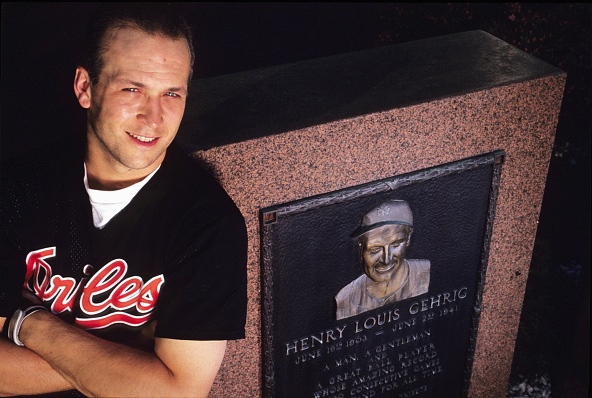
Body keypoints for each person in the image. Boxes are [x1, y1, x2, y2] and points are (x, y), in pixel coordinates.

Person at [0, 3, 247, 397]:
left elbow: (179, 394)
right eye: (132, 89)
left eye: (172, 93)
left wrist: (29, 323)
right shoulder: (17, 189)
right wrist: (136, 360)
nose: (154, 118)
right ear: (86, 88)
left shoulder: (208, 221)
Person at [335, 200, 430, 320]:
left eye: (396, 244)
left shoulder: (426, 273)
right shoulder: (346, 299)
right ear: (360, 246)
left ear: (408, 239)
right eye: (375, 249)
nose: (386, 259)